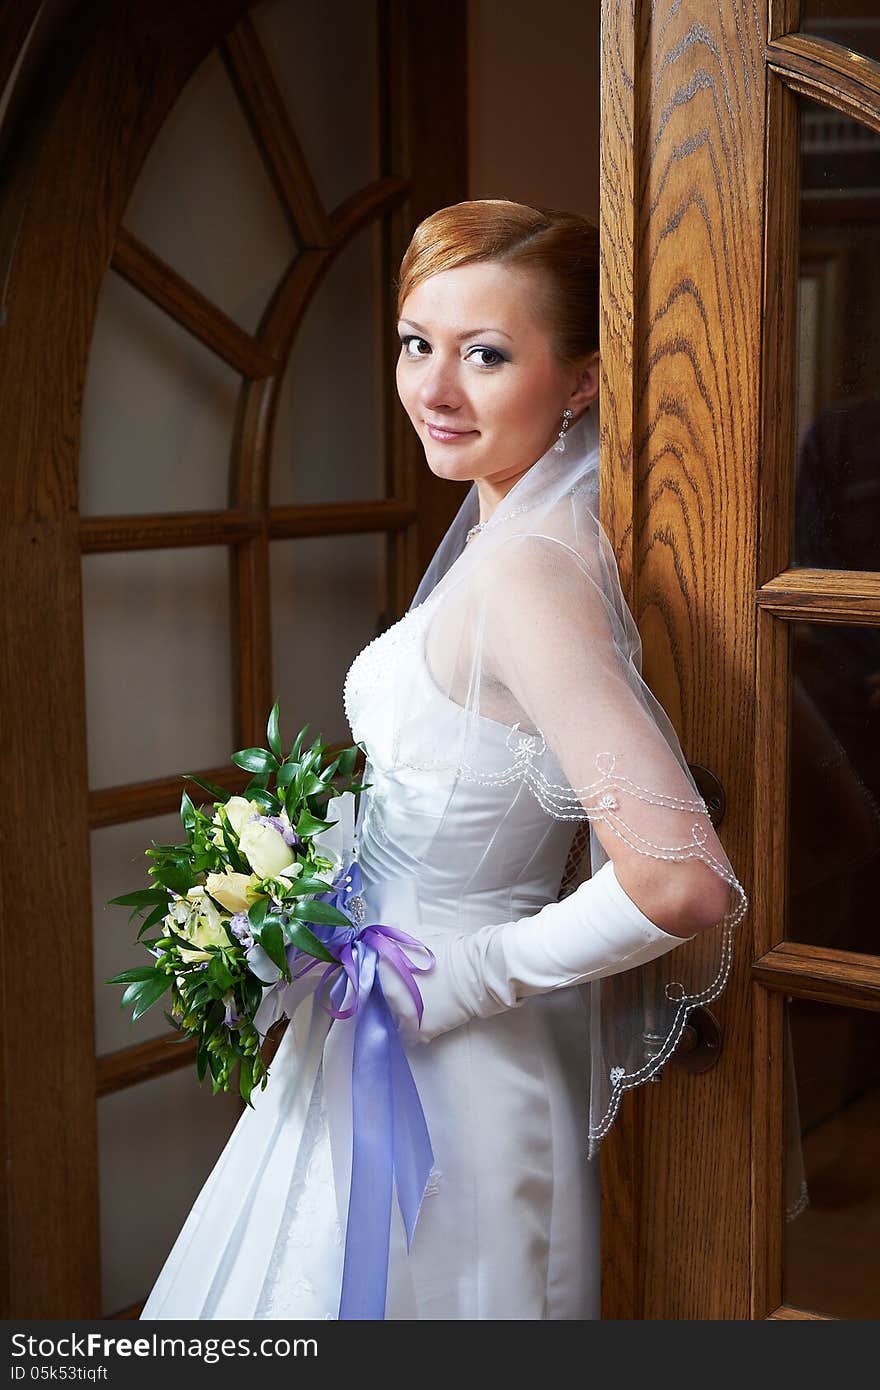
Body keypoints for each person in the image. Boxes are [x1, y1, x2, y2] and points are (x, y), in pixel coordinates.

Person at [140, 200, 747, 1322]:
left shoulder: (529, 576)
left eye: (486, 354)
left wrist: (451, 981)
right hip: (384, 1025)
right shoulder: (508, 529)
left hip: (450, 1060)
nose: (434, 388)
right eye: (418, 343)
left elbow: (681, 878)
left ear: (579, 382)